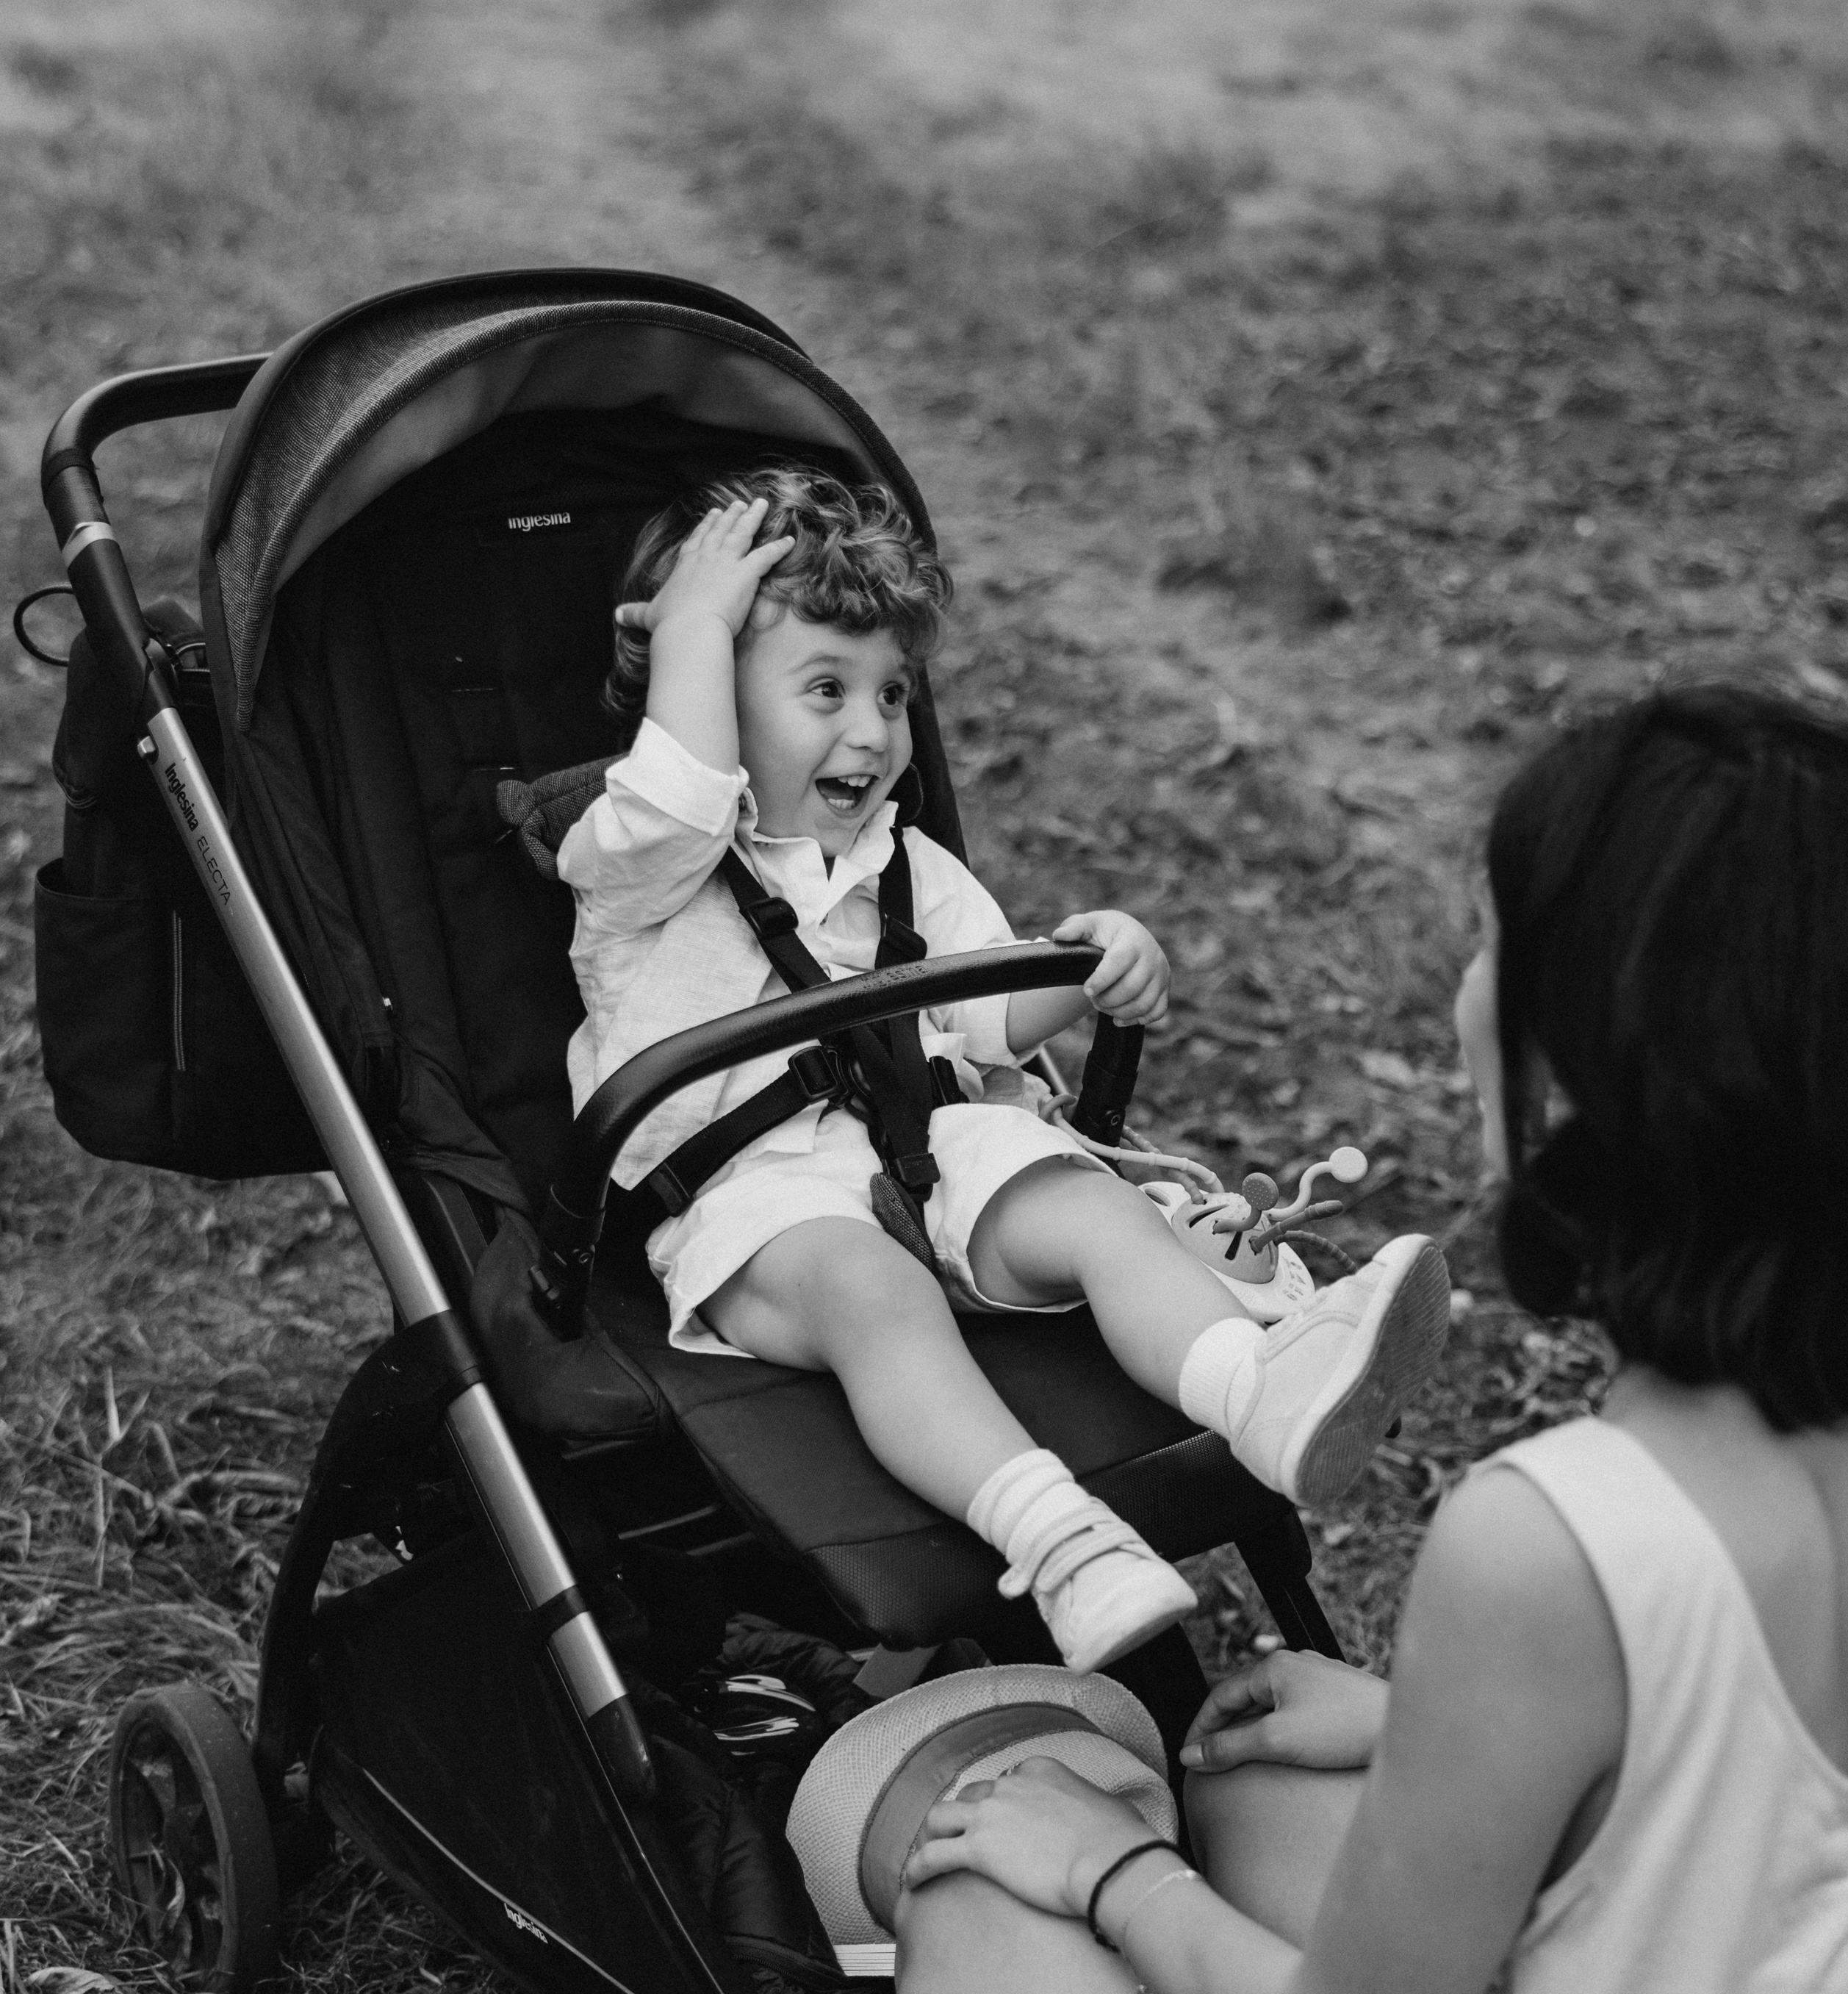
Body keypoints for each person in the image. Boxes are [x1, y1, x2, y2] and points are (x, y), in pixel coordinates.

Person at [894, 685, 1848, 1994]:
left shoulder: (1552, 1539)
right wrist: (1425, 1727)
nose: (1460, 993)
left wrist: (1108, 1863)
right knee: (1269, 1788)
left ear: (1586, 1068)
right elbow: (1780, 1818)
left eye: (1491, 949)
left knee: (981, 1917)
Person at [557, 465, 1450, 1676]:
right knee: (878, 1296)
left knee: (1082, 1202)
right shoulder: (641, 866)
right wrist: (697, 627)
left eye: (889, 693)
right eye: (824, 689)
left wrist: (1085, 963)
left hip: (931, 1154)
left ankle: (1259, 1388)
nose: (871, 731)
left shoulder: (907, 864)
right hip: (761, 1213)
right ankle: (1058, 1538)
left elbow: (990, 1013)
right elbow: (675, 796)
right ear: (707, 694)